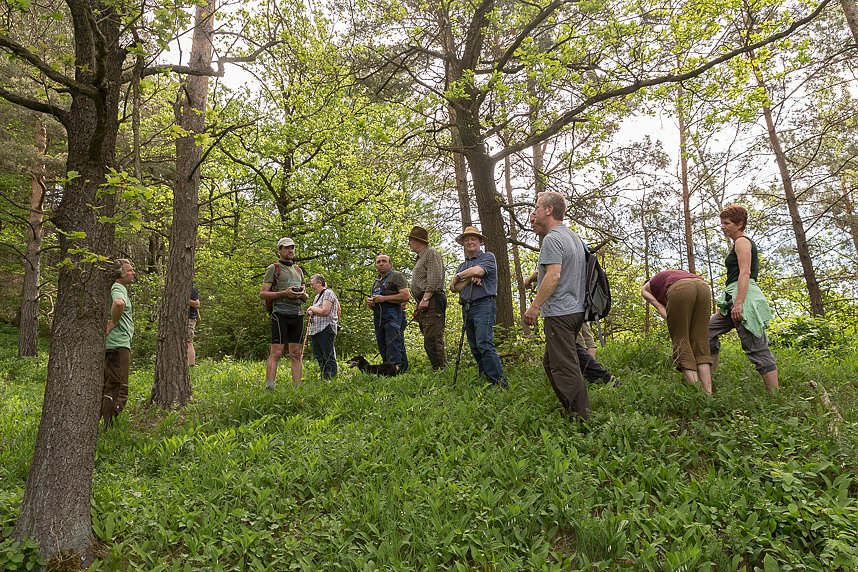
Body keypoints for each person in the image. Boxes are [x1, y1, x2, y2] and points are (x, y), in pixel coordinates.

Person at [523, 191, 590, 420]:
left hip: (560, 313)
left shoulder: (552, 239)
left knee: (564, 368)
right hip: (576, 311)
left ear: (549, 210)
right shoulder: (573, 237)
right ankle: (572, 410)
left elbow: (553, 276)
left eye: (537, 207)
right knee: (552, 362)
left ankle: (582, 418)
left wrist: (534, 307)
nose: (535, 212)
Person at [708, 204, 779, 392]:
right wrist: (726, 304)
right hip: (733, 297)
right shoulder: (737, 243)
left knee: (755, 346)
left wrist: (739, 303)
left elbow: (745, 273)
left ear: (739, 224)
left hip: (745, 298)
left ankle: (776, 396)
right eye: (721, 223)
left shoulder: (742, 241)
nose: (722, 226)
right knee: (706, 331)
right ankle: (709, 380)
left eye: (726, 223)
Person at [525, 274, 616, 385]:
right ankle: (591, 377)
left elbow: (551, 274)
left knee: (573, 348)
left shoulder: (559, 257)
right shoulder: (580, 257)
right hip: (578, 307)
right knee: (552, 359)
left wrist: (530, 284)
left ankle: (603, 379)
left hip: (562, 311)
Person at [450, 226, 507, 388]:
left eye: (473, 238)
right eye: (466, 239)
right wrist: (469, 278)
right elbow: (455, 288)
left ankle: (500, 383)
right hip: (467, 307)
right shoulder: (462, 265)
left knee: (484, 343)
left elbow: (479, 271)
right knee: (474, 346)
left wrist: (461, 276)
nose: (469, 242)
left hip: (484, 305)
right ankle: (485, 379)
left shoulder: (488, 257)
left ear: (480, 241)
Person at [642, 270, 714, 393]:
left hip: (681, 289)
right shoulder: (671, 275)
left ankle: (697, 393)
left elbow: (660, 307)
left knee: (681, 340)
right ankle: (708, 393)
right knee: (700, 341)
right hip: (703, 287)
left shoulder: (646, 288)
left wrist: (675, 323)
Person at [260, 237, 309, 389]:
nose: (290, 250)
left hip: (297, 313)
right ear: (279, 250)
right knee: (276, 352)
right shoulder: (274, 268)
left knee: (296, 353)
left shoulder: (299, 270)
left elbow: (306, 296)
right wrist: (284, 293)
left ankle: (297, 387)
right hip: (280, 313)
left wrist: (301, 295)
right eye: (287, 248)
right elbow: (263, 294)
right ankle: (269, 387)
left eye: (292, 247)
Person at [101, 258, 136, 427]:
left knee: (109, 385)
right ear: (119, 274)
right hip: (118, 345)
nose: (132, 273)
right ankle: (109, 425)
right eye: (129, 270)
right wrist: (113, 323)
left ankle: (102, 423)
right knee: (119, 387)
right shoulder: (118, 287)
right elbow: (119, 303)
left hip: (111, 345)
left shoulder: (115, 287)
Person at [408, 225, 447, 370]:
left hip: (433, 300)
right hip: (424, 301)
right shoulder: (420, 258)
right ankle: (438, 368)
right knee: (428, 337)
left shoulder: (431, 254)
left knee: (432, 338)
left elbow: (435, 279)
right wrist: (419, 302)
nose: (409, 243)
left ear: (418, 241)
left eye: (411, 240)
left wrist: (425, 299)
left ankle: (441, 370)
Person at [366, 254, 411, 370]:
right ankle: (388, 371)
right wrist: (372, 304)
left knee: (394, 345)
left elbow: (406, 295)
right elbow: (377, 304)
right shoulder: (376, 282)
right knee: (382, 346)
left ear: (390, 264)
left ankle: (397, 373)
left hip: (394, 316)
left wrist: (384, 298)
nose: (381, 263)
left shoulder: (396, 276)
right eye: (378, 262)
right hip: (379, 319)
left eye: (384, 261)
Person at [307, 274, 340, 379]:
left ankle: (332, 378)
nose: (311, 286)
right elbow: (317, 311)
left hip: (325, 328)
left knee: (328, 355)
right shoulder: (317, 297)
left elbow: (325, 311)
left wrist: (311, 308)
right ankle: (325, 377)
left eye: (313, 284)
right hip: (315, 330)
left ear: (320, 283)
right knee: (319, 356)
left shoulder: (328, 293)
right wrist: (311, 313)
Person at [187, 284, 200, 367]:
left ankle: (191, 364)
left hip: (190, 319)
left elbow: (197, 303)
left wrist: (185, 300)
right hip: (180, 319)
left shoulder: (192, 289)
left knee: (188, 341)